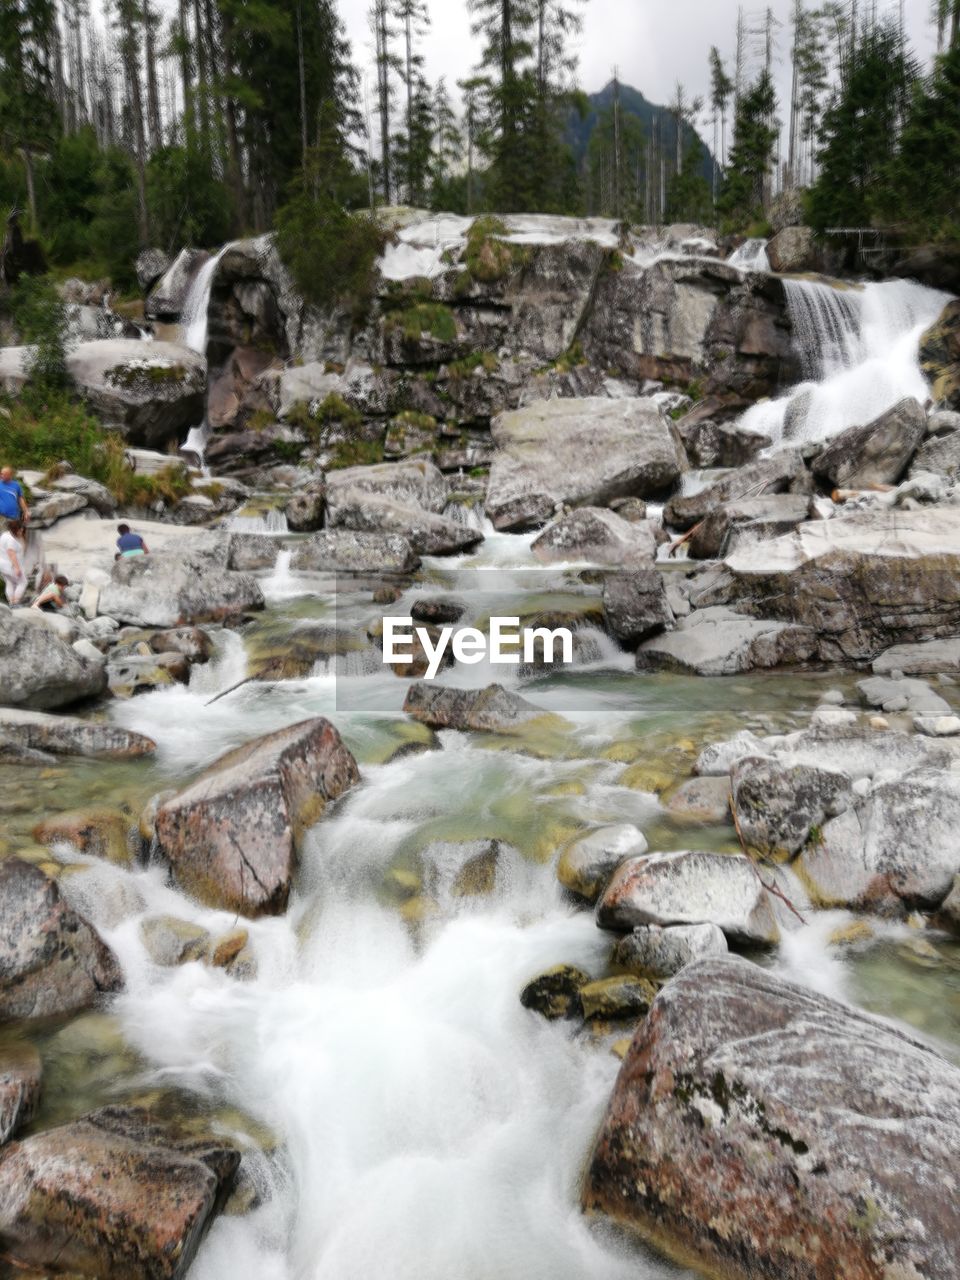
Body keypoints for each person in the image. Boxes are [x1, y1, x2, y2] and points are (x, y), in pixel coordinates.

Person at [0, 520, 27, 605]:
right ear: (16, 529)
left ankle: (11, 602)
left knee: (10, 582)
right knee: (23, 582)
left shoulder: (5, 535)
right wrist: (17, 568)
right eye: (20, 529)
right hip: (9, 566)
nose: (21, 531)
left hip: (2, 564)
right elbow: (11, 554)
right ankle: (16, 602)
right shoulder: (11, 540)